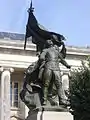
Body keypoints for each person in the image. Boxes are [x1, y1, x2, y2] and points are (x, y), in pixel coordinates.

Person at [39, 40, 71, 105]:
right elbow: (41, 57)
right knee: (46, 84)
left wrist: (67, 65)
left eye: (50, 41)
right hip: (49, 67)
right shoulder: (46, 50)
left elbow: (62, 59)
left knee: (58, 84)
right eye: (48, 41)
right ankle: (44, 99)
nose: (50, 42)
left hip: (56, 68)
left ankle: (62, 100)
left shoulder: (56, 52)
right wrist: (44, 59)